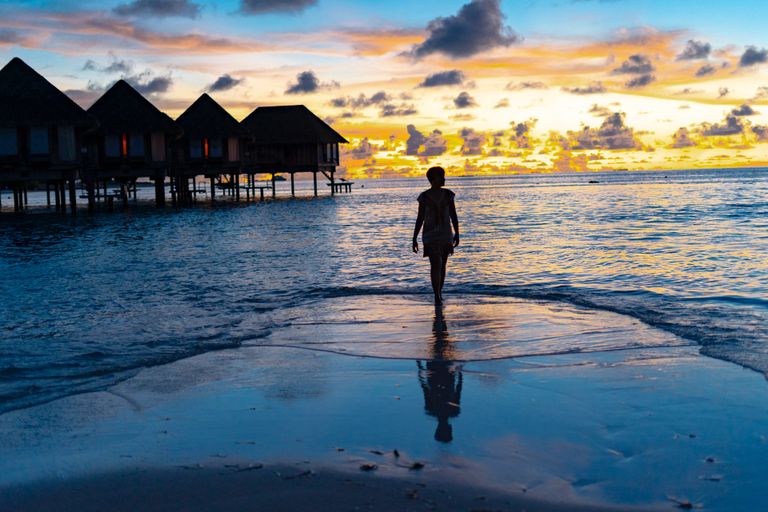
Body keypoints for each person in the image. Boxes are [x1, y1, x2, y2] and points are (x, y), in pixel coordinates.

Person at [412, 166, 460, 305]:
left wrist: (457, 233)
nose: (444, 179)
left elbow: (453, 215)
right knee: (436, 264)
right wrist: (414, 238)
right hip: (430, 234)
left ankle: (439, 292)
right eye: (441, 176)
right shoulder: (424, 197)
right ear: (433, 179)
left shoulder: (448, 195)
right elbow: (420, 218)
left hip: (445, 234)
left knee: (442, 264)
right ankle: (437, 296)